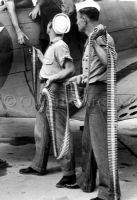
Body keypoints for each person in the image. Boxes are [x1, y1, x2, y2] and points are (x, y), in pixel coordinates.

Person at [19, 13, 79, 189]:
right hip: (46, 91)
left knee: (61, 134)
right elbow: (52, 65)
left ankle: (70, 175)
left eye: (49, 24)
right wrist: (41, 58)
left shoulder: (60, 46)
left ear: (50, 28)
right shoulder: (54, 46)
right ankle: (38, 165)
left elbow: (70, 69)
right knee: (41, 130)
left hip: (54, 92)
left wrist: (53, 79)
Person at [69, 0, 121, 200]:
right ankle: (87, 183)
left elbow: (110, 62)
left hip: (100, 94)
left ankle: (109, 193)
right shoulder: (91, 37)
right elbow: (95, 69)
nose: (75, 22)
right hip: (93, 91)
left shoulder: (100, 36)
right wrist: (81, 77)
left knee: (101, 146)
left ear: (83, 18)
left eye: (76, 18)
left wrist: (95, 42)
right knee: (88, 143)